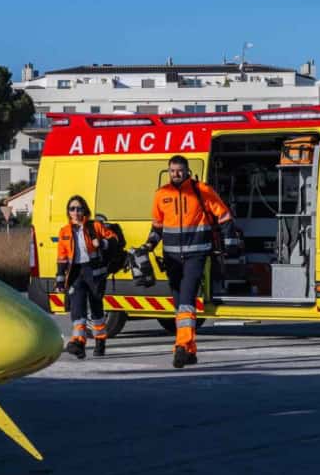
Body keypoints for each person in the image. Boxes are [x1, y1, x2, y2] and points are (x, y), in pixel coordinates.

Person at [141, 155, 240, 368]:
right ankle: (191, 350)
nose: (176, 174)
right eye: (172, 171)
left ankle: (180, 346)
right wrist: (148, 245)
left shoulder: (202, 190)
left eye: (179, 170)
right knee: (179, 304)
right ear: (168, 172)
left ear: (187, 171)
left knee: (186, 298)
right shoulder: (161, 195)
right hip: (171, 258)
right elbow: (157, 227)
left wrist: (230, 244)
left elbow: (224, 217)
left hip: (197, 255)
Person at [55, 195, 118, 358]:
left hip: (94, 273)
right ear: (68, 212)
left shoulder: (95, 226)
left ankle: (100, 340)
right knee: (77, 308)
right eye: (72, 209)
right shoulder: (64, 231)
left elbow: (113, 239)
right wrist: (60, 277)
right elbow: (62, 256)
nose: (75, 212)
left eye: (79, 208)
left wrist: (102, 243)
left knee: (96, 309)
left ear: (85, 210)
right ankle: (79, 342)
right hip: (76, 273)